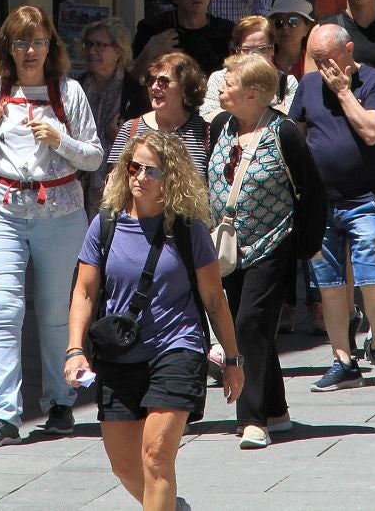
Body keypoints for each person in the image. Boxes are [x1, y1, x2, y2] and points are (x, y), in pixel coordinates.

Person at [66, 130, 242, 505]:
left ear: (172, 178)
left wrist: (232, 359)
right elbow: (84, 291)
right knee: (125, 466)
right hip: (119, 352)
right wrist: (75, 349)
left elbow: (214, 298)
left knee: (156, 458)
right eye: (134, 167)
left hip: (176, 347)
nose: (140, 177)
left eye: (153, 171)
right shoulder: (106, 224)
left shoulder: (188, 229)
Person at [0, 6, 104, 446]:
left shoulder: (69, 91)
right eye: (21, 42)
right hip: (1, 208)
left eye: (38, 41)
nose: (29, 50)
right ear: (7, 47)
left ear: (50, 47)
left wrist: (59, 139)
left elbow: (95, 156)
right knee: (6, 308)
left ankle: (60, 402)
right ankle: (4, 414)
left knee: (54, 312)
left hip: (60, 213)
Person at [292, 24, 375, 391]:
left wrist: (344, 93)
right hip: (321, 202)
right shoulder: (308, 85)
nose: (321, 67)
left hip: (364, 199)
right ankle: (342, 360)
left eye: (326, 59)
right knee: (330, 285)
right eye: (315, 60)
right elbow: (296, 134)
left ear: (348, 50)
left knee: (372, 274)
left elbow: (371, 131)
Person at [203, 56, 326, 448]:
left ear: (253, 95)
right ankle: (276, 408)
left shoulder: (283, 133)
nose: (221, 87)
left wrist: (306, 248)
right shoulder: (222, 126)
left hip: (273, 245)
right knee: (252, 328)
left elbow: (312, 193)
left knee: (248, 326)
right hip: (229, 248)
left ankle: (253, 419)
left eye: (229, 83)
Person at [109, 53, 211, 171]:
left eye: (163, 81)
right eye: (150, 80)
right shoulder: (130, 129)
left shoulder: (205, 132)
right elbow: (114, 182)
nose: (154, 87)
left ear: (185, 87)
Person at [202, 16, 299, 122]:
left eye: (262, 49)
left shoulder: (287, 83)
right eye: (247, 50)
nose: (255, 55)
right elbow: (206, 118)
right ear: (238, 52)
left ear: (272, 49)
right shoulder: (220, 78)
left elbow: (291, 122)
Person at [80, 18, 135, 190]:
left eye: (100, 45)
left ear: (118, 52)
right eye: (88, 44)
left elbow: (147, 135)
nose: (91, 51)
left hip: (118, 177)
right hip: (81, 178)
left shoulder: (133, 90)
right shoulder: (76, 85)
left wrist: (122, 137)